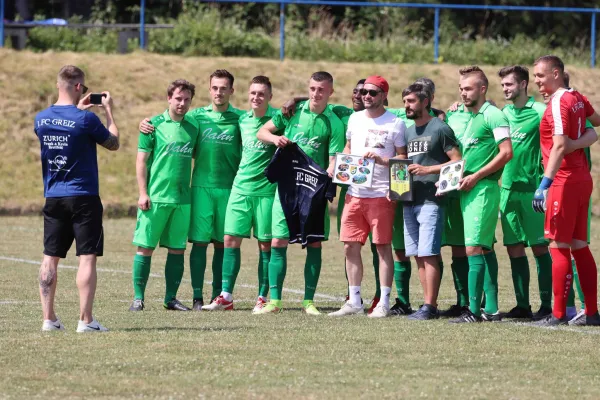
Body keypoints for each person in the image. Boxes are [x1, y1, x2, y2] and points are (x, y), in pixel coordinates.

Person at [140, 70, 244, 310]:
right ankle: (197, 296)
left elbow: (266, 120)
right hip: (199, 189)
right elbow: (171, 123)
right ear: (210, 90)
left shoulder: (241, 118)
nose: (219, 92)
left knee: (223, 243)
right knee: (199, 243)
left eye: (224, 88)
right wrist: (146, 123)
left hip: (230, 190)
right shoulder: (196, 118)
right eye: (215, 88)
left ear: (231, 91)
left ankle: (219, 295)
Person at [34, 65, 119, 332]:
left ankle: (49, 320)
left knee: (50, 256)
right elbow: (113, 143)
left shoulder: (41, 119)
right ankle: (86, 320)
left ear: (59, 85)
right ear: (80, 87)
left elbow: (64, 129)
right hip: (83, 197)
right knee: (87, 257)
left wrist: (79, 111)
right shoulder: (86, 120)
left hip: (54, 197)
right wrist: (107, 111)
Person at [256, 71, 345, 315]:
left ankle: (309, 301)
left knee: (314, 243)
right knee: (278, 240)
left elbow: (335, 156)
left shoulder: (333, 122)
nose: (316, 94)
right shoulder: (291, 112)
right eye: (313, 88)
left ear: (330, 92)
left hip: (313, 189)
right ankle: (275, 301)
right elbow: (262, 132)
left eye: (322, 90)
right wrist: (276, 140)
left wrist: (329, 170)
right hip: (286, 188)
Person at [328, 75, 407, 318]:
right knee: (350, 246)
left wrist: (384, 161)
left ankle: (383, 302)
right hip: (354, 193)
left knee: (383, 247)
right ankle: (354, 301)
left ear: (384, 95)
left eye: (372, 93)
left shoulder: (396, 123)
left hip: (381, 195)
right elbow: (349, 149)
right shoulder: (354, 118)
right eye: (364, 92)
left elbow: (404, 159)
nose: (367, 96)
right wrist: (337, 165)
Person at [531, 55, 600, 326]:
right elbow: (595, 124)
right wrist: (580, 142)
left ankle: (558, 315)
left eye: (540, 75)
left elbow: (559, 145)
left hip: (563, 181)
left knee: (557, 246)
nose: (536, 80)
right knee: (579, 246)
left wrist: (544, 185)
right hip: (582, 179)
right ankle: (592, 313)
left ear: (556, 73)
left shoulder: (560, 100)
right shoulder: (578, 97)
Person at [201, 76, 278, 313]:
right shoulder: (242, 119)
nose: (256, 97)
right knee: (229, 240)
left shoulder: (278, 119)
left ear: (270, 97)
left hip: (266, 190)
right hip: (240, 188)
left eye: (261, 94)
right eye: (253, 93)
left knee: (265, 245)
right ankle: (226, 296)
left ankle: (262, 297)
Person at [448, 66, 513, 324]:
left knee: (473, 248)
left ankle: (474, 311)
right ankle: (493, 309)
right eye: (461, 89)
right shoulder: (471, 117)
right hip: (468, 188)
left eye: (468, 89)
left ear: (482, 89)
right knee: (484, 248)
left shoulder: (493, 115)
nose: (464, 93)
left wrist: (475, 176)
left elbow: (506, 153)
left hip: (483, 187)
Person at [129, 80, 199, 312]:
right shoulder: (152, 125)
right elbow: (141, 161)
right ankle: (138, 299)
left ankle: (171, 298)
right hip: (156, 198)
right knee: (145, 247)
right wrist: (142, 193)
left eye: (186, 99)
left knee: (177, 249)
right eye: (178, 98)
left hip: (182, 200)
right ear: (169, 98)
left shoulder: (193, 126)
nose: (182, 103)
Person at [496, 65, 553, 321]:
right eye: (503, 85)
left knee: (540, 248)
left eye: (509, 84)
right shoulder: (502, 113)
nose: (505, 89)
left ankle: (547, 305)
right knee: (514, 248)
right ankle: (522, 305)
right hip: (507, 191)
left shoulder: (541, 111)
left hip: (533, 192)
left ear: (523, 84)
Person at [400, 83, 461, 320]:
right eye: (405, 101)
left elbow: (457, 161)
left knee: (428, 253)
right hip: (409, 199)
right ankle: (426, 305)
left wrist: (428, 170)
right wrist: (394, 186)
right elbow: (403, 164)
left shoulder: (440, 128)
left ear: (425, 102)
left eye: (412, 101)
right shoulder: (407, 131)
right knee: (417, 254)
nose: (407, 105)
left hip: (431, 200)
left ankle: (430, 306)